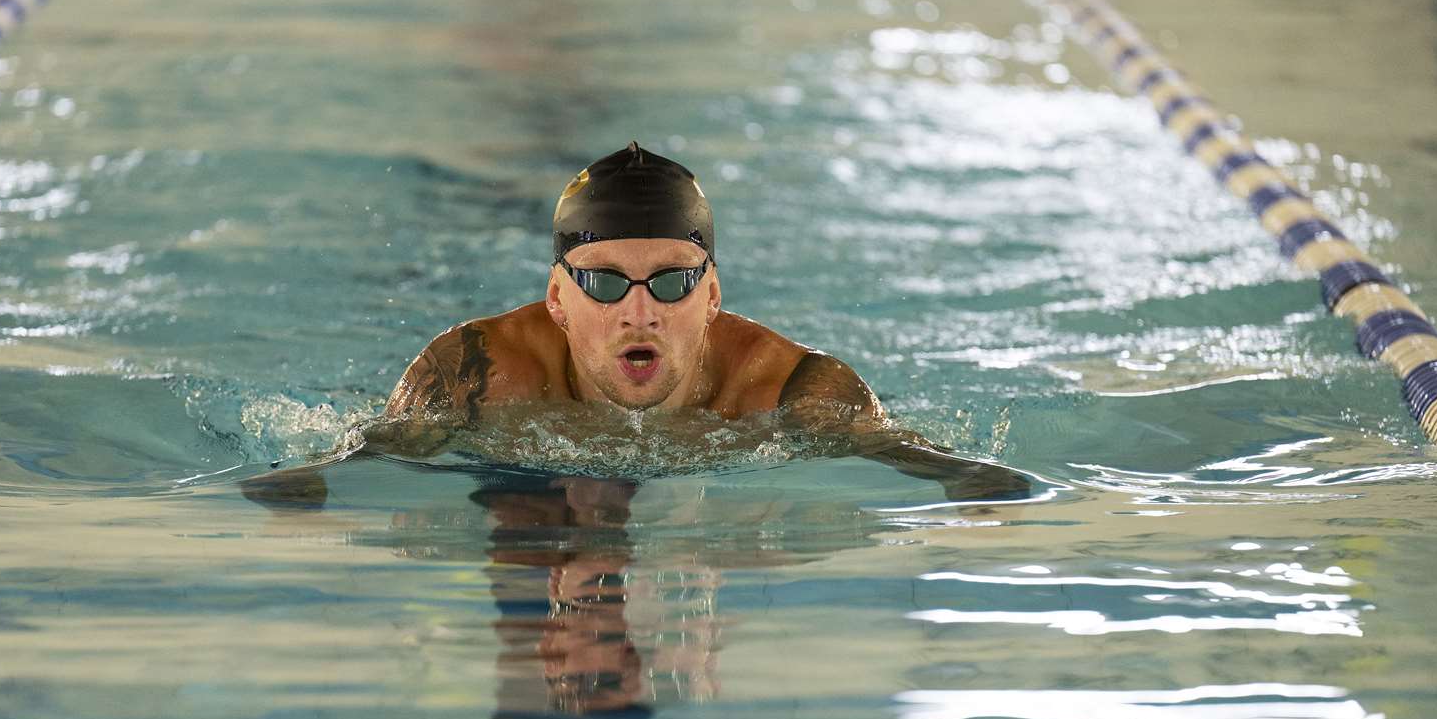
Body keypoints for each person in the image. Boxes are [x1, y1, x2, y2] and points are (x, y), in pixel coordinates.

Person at [243, 142, 1028, 508]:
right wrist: (312, 476)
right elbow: (366, 450)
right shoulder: (478, 372)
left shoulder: (789, 389)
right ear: (558, 299)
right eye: (605, 283)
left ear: (712, 295)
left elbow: (903, 454)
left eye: (672, 282)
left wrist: (961, 478)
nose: (640, 309)